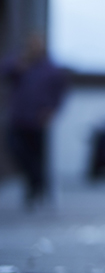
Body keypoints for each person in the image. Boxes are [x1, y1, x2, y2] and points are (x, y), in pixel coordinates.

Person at [1, 34, 67, 209]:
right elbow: (4, 71)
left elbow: (60, 93)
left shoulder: (51, 69)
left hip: (38, 120)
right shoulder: (21, 64)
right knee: (16, 150)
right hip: (18, 116)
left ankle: (36, 191)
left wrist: (52, 110)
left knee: (38, 157)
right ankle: (35, 181)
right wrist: (19, 62)